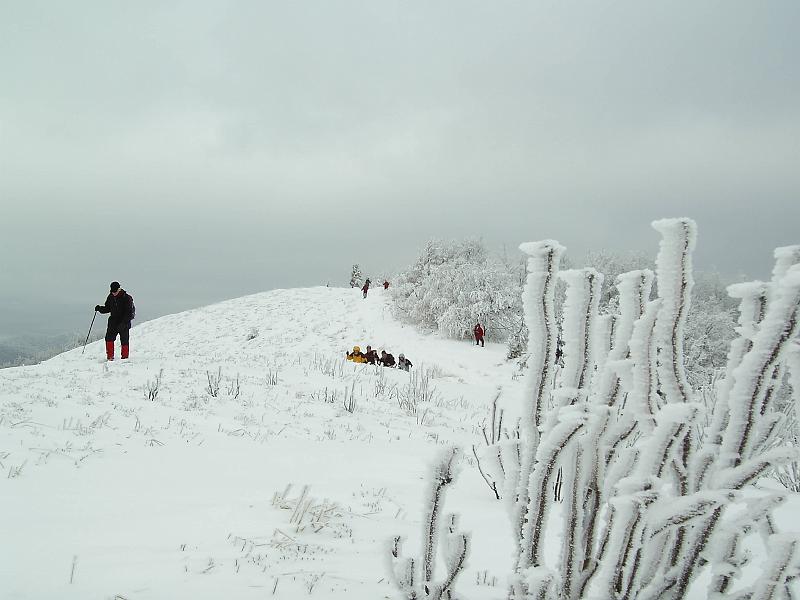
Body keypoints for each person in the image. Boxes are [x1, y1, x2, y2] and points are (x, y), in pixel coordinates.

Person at [95, 281, 134, 360]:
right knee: (109, 338)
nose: (114, 293)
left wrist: (124, 323)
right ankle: (110, 357)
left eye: (115, 291)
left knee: (124, 340)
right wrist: (99, 308)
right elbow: (107, 308)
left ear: (119, 289)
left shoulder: (126, 298)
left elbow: (129, 313)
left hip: (124, 322)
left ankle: (125, 358)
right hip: (113, 322)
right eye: (112, 292)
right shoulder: (110, 297)